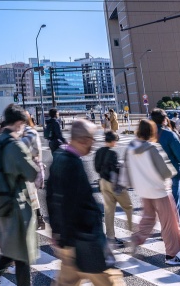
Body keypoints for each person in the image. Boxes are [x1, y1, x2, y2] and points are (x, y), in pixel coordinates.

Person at [48, 119, 125, 286]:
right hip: (85, 240)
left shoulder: (59, 156)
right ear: (83, 140)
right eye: (92, 139)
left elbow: (51, 197)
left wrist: (58, 233)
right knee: (109, 281)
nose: (93, 143)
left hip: (69, 241)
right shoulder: (73, 163)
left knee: (66, 282)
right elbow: (74, 205)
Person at [0, 104, 39, 286]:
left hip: (1, 202)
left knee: (15, 250)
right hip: (17, 206)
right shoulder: (15, 146)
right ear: (20, 123)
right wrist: (36, 163)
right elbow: (32, 174)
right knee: (22, 254)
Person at [126, 119, 180, 266]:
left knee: (148, 219)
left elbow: (128, 171)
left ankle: (136, 239)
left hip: (143, 191)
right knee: (169, 224)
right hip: (160, 191)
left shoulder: (131, 148)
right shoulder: (152, 148)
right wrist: (172, 173)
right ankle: (171, 255)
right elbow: (165, 172)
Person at [149, 109, 180, 231]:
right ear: (165, 120)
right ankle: (171, 230)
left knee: (171, 201)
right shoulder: (169, 135)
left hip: (155, 174)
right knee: (172, 201)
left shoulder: (148, 135)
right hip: (172, 172)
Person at [93, 131, 132, 249]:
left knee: (109, 210)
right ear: (113, 141)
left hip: (102, 182)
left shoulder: (99, 151)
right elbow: (115, 170)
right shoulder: (113, 153)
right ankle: (132, 232)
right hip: (113, 184)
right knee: (128, 206)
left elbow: (96, 168)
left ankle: (110, 237)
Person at [22, 114, 47, 230]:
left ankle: (35, 219)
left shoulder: (25, 132)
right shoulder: (31, 131)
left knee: (27, 195)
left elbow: (25, 150)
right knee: (32, 195)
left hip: (27, 169)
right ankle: (39, 218)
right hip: (33, 168)